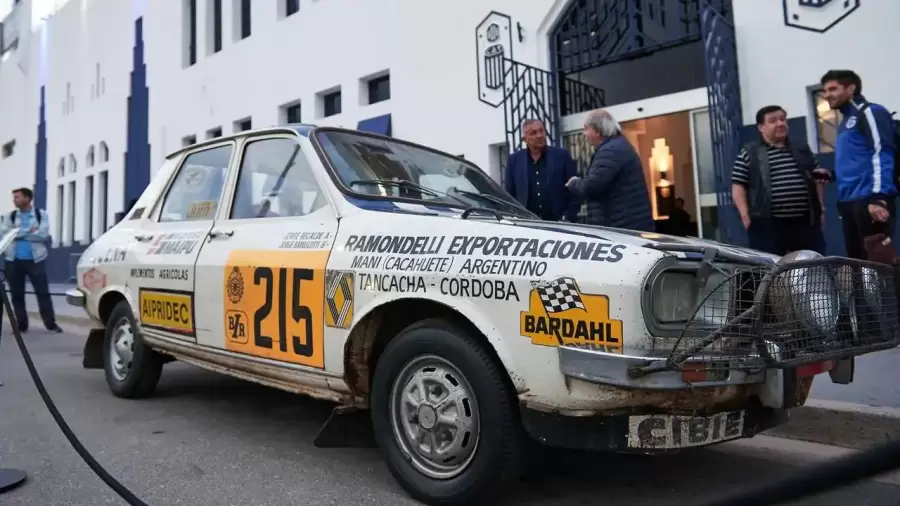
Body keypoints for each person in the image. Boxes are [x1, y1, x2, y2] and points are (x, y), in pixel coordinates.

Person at [820, 69, 897, 260]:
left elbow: (882, 153)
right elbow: (859, 160)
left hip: (869, 200)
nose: (827, 95)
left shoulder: (870, 112)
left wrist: (879, 197)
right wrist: (832, 175)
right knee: (858, 265)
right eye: (825, 91)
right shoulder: (845, 122)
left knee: (879, 265)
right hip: (848, 203)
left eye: (833, 89)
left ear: (851, 88)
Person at [731, 105, 827, 255]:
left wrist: (820, 208)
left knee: (813, 265)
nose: (780, 124)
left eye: (783, 119)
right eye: (773, 121)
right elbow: (738, 186)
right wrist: (746, 218)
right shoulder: (750, 152)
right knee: (770, 267)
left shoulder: (802, 149)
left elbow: (817, 178)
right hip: (766, 227)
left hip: (805, 224)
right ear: (761, 127)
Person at [565, 109, 654, 231]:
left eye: (586, 128)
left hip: (623, 228)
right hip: (628, 224)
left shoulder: (610, 150)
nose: (584, 134)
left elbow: (592, 186)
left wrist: (574, 183)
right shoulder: (617, 145)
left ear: (597, 130)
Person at [1, 188, 63, 335]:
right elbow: (4, 234)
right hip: (13, 260)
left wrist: (17, 233)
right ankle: (22, 325)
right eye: (14, 197)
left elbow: (42, 235)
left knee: (43, 293)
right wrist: (29, 231)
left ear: (27, 198)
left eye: (18, 197)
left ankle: (51, 324)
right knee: (16, 295)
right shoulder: (10, 216)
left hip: (36, 260)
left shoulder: (40, 215)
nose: (14, 200)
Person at [504, 119, 581, 222]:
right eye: (533, 133)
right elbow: (509, 194)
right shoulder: (514, 160)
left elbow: (575, 189)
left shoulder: (561, 156)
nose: (539, 135)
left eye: (541, 131)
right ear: (524, 139)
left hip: (559, 222)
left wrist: (568, 216)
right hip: (528, 223)